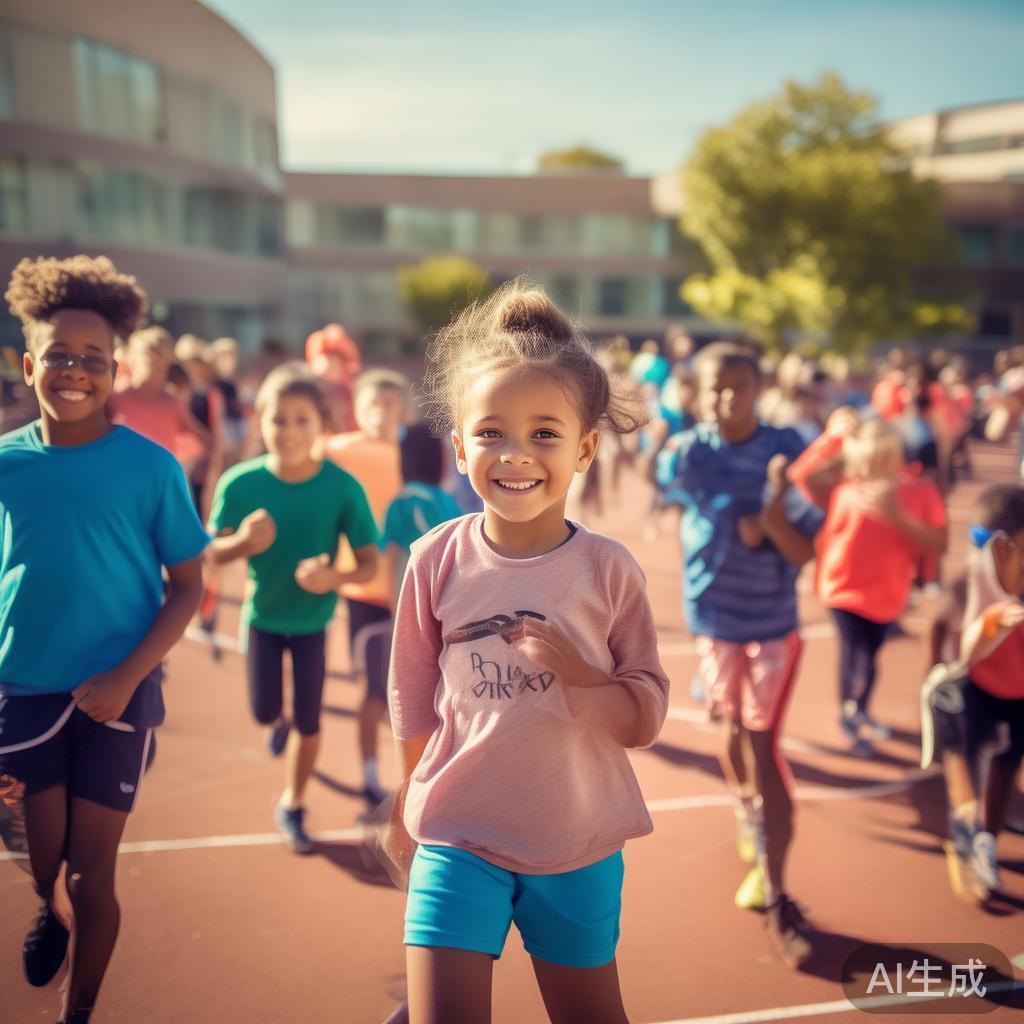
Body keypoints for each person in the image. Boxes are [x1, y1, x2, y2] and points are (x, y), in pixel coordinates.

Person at [382, 281, 668, 1024]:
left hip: (576, 839)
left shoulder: (609, 571)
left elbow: (644, 718)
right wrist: (406, 805)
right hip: (455, 831)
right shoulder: (434, 559)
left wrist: (581, 680)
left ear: (586, 448)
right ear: (458, 446)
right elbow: (412, 693)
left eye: (545, 433)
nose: (516, 455)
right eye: (491, 433)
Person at [0, 255, 208, 1024]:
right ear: (30, 364)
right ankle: (43, 906)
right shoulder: (5, 466)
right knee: (42, 860)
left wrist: (127, 675)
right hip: (20, 693)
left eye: (93, 359)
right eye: (59, 355)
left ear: (115, 371)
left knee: (93, 875)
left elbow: (186, 586)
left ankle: (77, 1013)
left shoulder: (151, 469)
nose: (76, 371)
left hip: (116, 698)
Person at [656, 341, 823, 968]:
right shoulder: (691, 451)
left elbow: (802, 550)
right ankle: (746, 810)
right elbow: (690, 494)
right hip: (712, 620)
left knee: (763, 748)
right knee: (728, 735)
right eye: (715, 388)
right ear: (697, 393)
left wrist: (775, 511)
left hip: (770, 627)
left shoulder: (786, 448)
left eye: (740, 387)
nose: (728, 399)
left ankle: (778, 892)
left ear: (760, 389)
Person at [206, 364, 378, 853]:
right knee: (265, 713)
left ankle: (293, 803)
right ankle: (275, 721)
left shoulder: (342, 487)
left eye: (302, 420)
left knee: (309, 719)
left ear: (323, 425)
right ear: (260, 422)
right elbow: (210, 555)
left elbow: (367, 566)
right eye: (278, 420)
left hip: (312, 624)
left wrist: (333, 578)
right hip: (262, 618)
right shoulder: (240, 484)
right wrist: (241, 541)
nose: (290, 431)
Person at [789, 413, 948, 754]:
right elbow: (800, 476)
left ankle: (859, 708)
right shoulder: (844, 488)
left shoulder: (919, 492)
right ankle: (851, 713)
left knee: (870, 654)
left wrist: (897, 516)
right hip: (841, 590)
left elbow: (938, 543)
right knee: (856, 652)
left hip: (888, 594)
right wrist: (831, 438)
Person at [921, 485, 1024, 901]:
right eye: (977, 541)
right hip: (977, 686)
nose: (978, 550)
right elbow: (938, 623)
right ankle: (966, 825)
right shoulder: (972, 580)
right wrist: (934, 673)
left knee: (1005, 766)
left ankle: (985, 842)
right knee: (959, 751)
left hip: (1019, 693)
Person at [325, 369, 409, 804]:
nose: (380, 413)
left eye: (389, 404)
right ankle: (370, 775)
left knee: (416, 693)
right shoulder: (337, 451)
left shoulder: (412, 455)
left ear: (403, 410)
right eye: (372, 404)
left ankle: (416, 778)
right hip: (361, 591)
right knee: (374, 690)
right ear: (356, 409)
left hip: (410, 593)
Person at [381, 423, 463, 601]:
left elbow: (388, 551)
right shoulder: (446, 499)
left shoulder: (403, 501)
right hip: (452, 583)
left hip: (415, 581)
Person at [107, 326, 209, 461]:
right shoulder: (116, 400)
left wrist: (184, 468)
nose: (160, 366)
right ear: (133, 359)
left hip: (160, 480)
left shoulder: (172, 403)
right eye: (153, 361)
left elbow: (206, 442)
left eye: (165, 363)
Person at [306, 322, 362, 435]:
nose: (332, 364)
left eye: (337, 359)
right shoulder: (307, 389)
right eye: (328, 357)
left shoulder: (353, 391)